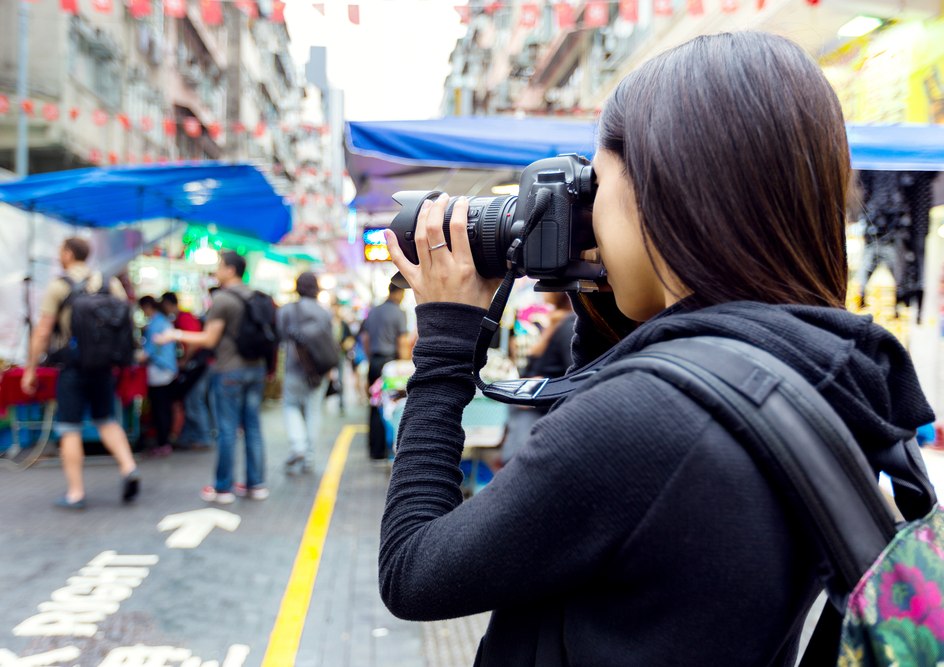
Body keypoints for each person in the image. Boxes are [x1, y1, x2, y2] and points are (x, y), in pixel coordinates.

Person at [377, 32, 935, 665]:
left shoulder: (646, 421)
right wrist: (602, 293)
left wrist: (446, 343)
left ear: (658, 191)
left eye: (599, 183)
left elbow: (412, 571)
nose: (589, 209)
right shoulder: (818, 370)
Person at [21, 237, 140, 509]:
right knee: (106, 419)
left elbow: (42, 332)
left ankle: (75, 492)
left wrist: (30, 368)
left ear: (67, 253)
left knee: (70, 428)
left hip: (72, 366)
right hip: (103, 365)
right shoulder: (110, 283)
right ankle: (129, 466)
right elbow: (124, 322)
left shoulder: (59, 286)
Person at [159, 251, 270, 503]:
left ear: (230, 270)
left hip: (230, 370)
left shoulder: (222, 299)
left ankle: (223, 488)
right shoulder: (256, 295)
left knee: (228, 429)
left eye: (219, 266)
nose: (216, 271)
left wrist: (175, 335)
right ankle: (256, 484)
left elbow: (209, 339)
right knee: (252, 427)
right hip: (256, 370)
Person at [502, 291, 575, 463]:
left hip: (539, 423)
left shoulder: (568, 326)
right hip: (529, 419)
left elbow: (575, 379)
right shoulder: (556, 322)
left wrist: (541, 391)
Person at [278, 272, 334, 472]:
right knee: (314, 410)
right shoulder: (325, 312)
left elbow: (282, 339)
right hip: (319, 371)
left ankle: (298, 445)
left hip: (294, 369)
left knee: (291, 405)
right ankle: (309, 456)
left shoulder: (286, 311)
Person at [359, 283, 409, 460]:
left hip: (374, 361)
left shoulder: (372, 311)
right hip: (390, 364)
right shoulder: (399, 312)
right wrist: (404, 364)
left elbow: (364, 338)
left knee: (374, 404)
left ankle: (375, 450)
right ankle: (390, 449)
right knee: (393, 405)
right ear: (399, 292)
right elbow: (402, 342)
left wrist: (370, 357)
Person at [161, 291, 213, 450]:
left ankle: (204, 438)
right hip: (197, 365)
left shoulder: (184, 318)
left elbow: (194, 343)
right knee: (191, 402)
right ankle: (193, 437)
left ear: (169, 304)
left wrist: (185, 360)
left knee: (195, 402)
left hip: (200, 366)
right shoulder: (179, 319)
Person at [138, 296, 177, 457]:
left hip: (160, 370)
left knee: (160, 408)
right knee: (164, 408)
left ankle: (163, 443)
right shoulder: (162, 321)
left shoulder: (155, 324)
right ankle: (164, 441)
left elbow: (149, 351)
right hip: (166, 369)